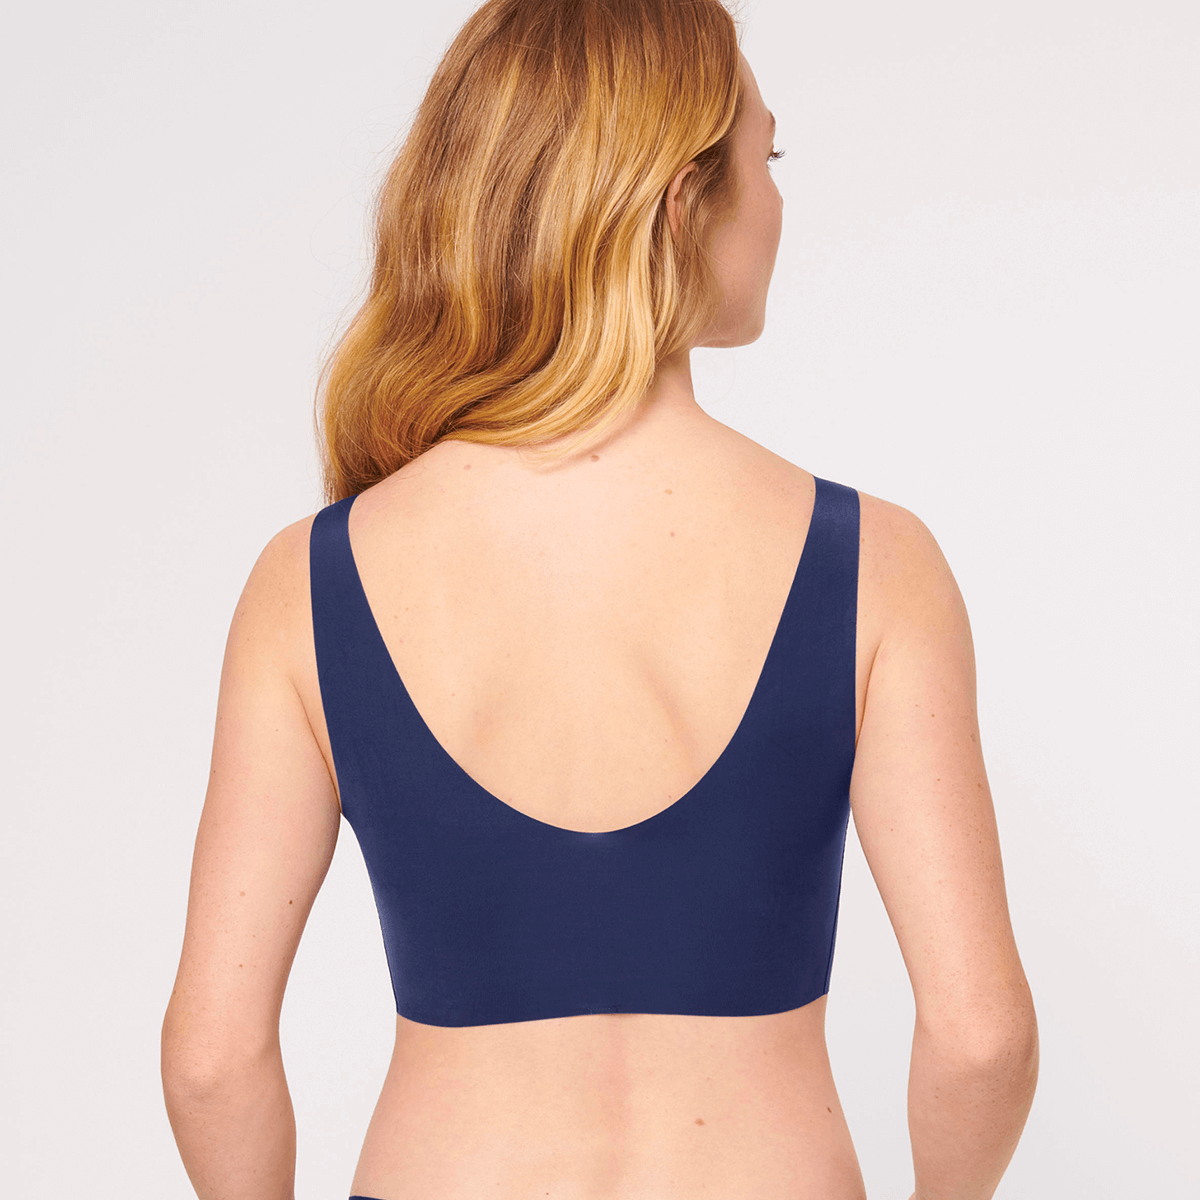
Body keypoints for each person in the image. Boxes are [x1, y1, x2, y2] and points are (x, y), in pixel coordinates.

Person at [160, 1, 1039, 1197]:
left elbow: (212, 1061)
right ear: (679, 202)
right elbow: (983, 1040)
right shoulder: (876, 564)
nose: (778, 202)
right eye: (767, 157)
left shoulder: (308, 582)